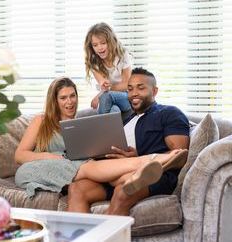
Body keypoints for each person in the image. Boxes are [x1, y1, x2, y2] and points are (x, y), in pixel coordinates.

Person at [14, 76, 188, 198]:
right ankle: (154, 160)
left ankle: (137, 176)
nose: (70, 102)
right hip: (38, 169)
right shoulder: (41, 121)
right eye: (63, 98)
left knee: (104, 174)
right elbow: (20, 155)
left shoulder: (81, 124)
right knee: (88, 168)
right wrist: (51, 156)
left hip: (78, 167)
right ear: (55, 101)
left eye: (72, 96)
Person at [67, 67, 190, 215]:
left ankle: (136, 175)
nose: (134, 94)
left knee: (123, 191)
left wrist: (137, 156)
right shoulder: (125, 120)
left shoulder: (169, 113)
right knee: (76, 188)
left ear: (155, 91)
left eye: (141, 88)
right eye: (130, 89)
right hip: (115, 171)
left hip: (155, 176)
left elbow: (179, 154)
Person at [84, 22, 132, 115]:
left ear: (111, 42)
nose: (99, 48)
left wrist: (100, 95)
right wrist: (104, 88)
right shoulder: (94, 62)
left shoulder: (122, 55)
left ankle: (99, 128)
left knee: (106, 97)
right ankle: (107, 129)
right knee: (114, 110)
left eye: (103, 43)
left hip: (126, 96)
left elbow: (127, 84)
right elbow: (104, 86)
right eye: (95, 45)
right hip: (108, 96)